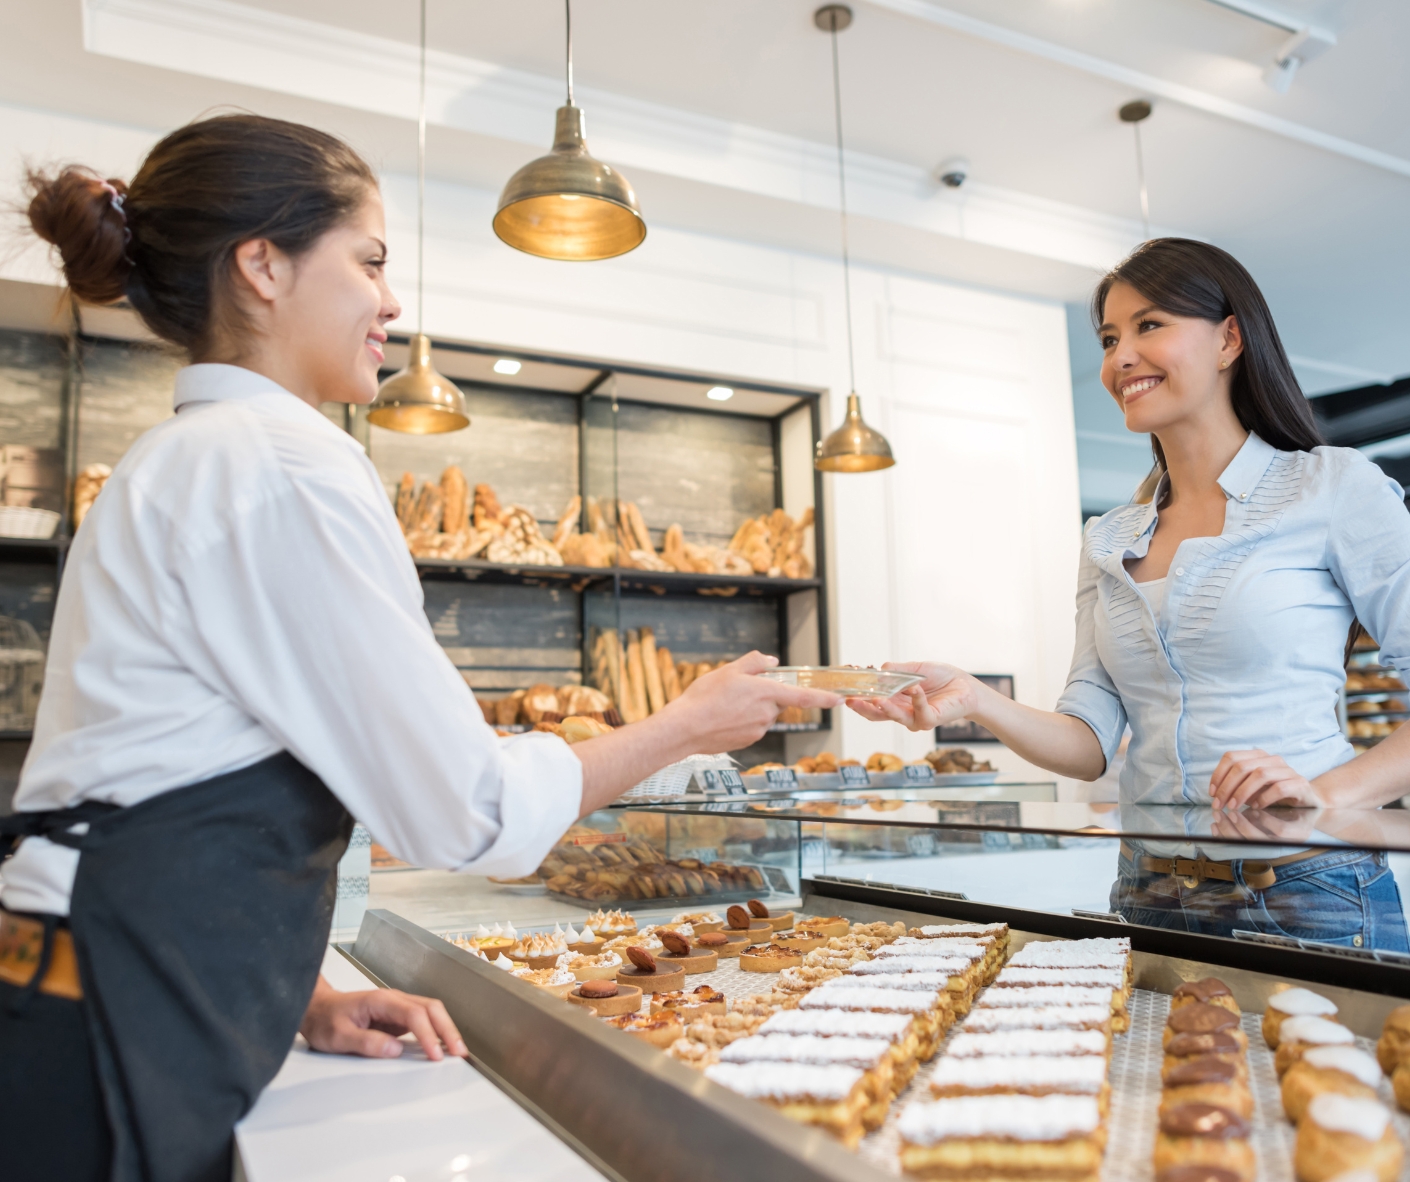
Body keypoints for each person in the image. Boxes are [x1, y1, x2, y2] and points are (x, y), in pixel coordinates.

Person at [0, 114, 838, 1182]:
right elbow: (467, 812)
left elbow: (152, 773)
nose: (392, 301)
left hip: (84, 992)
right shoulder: (279, 463)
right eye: (371, 260)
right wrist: (684, 727)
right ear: (262, 264)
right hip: (110, 1039)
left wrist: (308, 998)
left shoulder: (181, 459)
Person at [848, 237, 1410, 948]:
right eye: (1111, 337)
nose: (1118, 359)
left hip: (1308, 889)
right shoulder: (1107, 537)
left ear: (1229, 338)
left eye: (1150, 326)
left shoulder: (1333, 489)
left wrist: (1326, 796)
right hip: (1148, 891)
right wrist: (975, 699)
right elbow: (1089, 742)